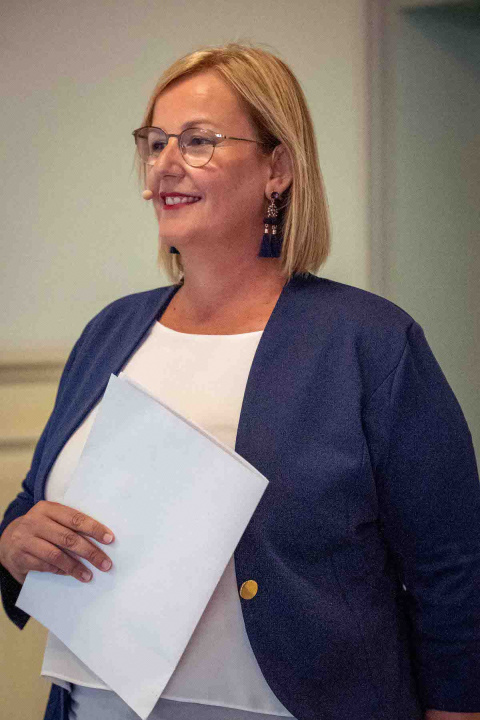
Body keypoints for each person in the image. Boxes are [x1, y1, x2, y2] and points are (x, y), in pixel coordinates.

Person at [0, 42, 479, 720]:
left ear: (277, 168)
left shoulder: (370, 342)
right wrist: (13, 544)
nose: (165, 163)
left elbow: (452, 569)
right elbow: (31, 502)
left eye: (198, 141)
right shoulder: (110, 330)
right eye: (155, 142)